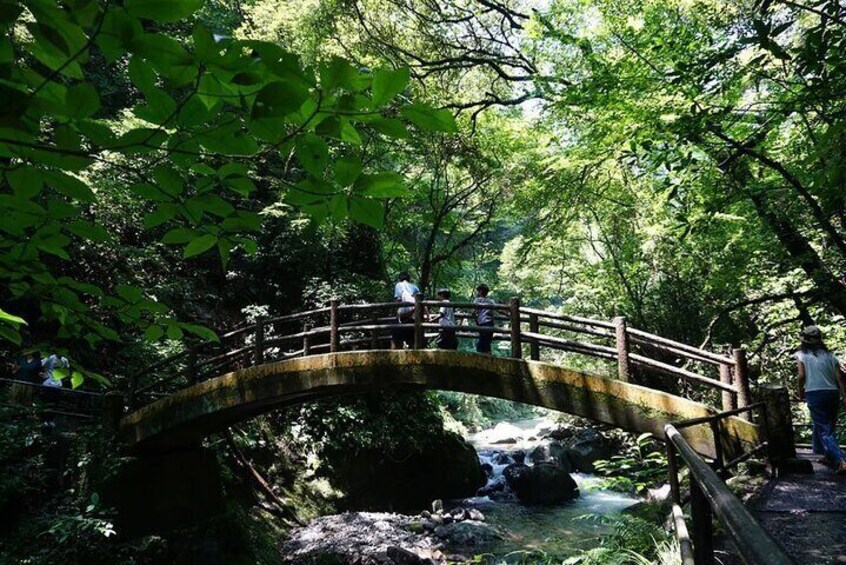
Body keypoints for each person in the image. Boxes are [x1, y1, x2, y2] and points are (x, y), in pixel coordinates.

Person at [796, 325, 846, 475]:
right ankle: (826, 455)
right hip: (832, 393)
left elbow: (801, 376)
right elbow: (839, 378)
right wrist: (845, 395)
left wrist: (800, 392)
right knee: (826, 425)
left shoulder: (801, 355)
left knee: (825, 429)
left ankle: (841, 461)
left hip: (815, 393)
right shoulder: (830, 356)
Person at [392, 272, 420, 349]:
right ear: (409, 279)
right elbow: (419, 301)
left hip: (402, 316)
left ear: (400, 279)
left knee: (396, 338)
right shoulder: (415, 287)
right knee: (412, 340)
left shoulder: (398, 285)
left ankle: (394, 356)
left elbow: (397, 300)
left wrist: (398, 314)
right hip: (413, 316)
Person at [474, 284, 495, 354]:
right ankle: (489, 356)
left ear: (480, 291)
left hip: (482, 323)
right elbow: (499, 310)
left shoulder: (477, 300)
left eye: (478, 291)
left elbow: (474, 312)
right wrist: (508, 315)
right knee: (487, 342)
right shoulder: (491, 301)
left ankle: (483, 358)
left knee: (482, 343)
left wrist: (476, 321)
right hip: (490, 323)